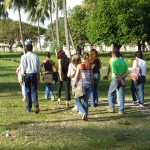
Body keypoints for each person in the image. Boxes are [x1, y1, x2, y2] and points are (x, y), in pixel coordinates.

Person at [20, 44, 40, 114]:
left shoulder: (23, 56)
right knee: (34, 90)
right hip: (34, 74)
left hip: (27, 75)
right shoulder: (36, 56)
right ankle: (36, 103)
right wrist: (39, 79)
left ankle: (28, 107)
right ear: (32, 48)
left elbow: (23, 67)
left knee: (27, 90)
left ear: (26, 48)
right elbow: (38, 69)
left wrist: (21, 77)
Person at [107, 50, 129, 115]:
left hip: (116, 79)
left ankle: (111, 108)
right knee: (121, 95)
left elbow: (115, 73)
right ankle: (121, 110)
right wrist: (122, 78)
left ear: (113, 55)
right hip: (123, 79)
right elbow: (127, 72)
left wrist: (120, 79)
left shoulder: (114, 63)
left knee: (110, 93)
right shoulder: (124, 62)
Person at [74, 53, 92, 120]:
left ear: (82, 58)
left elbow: (76, 76)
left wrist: (74, 84)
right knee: (85, 101)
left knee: (77, 99)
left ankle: (83, 112)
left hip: (82, 84)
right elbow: (91, 76)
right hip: (89, 84)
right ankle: (86, 116)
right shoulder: (89, 65)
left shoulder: (80, 65)